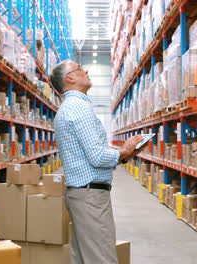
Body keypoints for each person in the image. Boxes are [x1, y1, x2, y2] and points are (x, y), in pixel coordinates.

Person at [51, 60, 146, 263]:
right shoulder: (78, 108)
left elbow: (90, 156)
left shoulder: (70, 107)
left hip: (82, 194)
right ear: (70, 78)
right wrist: (124, 150)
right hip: (90, 197)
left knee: (84, 257)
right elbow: (97, 156)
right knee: (102, 258)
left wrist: (125, 154)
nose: (85, 71)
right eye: (79, 69)